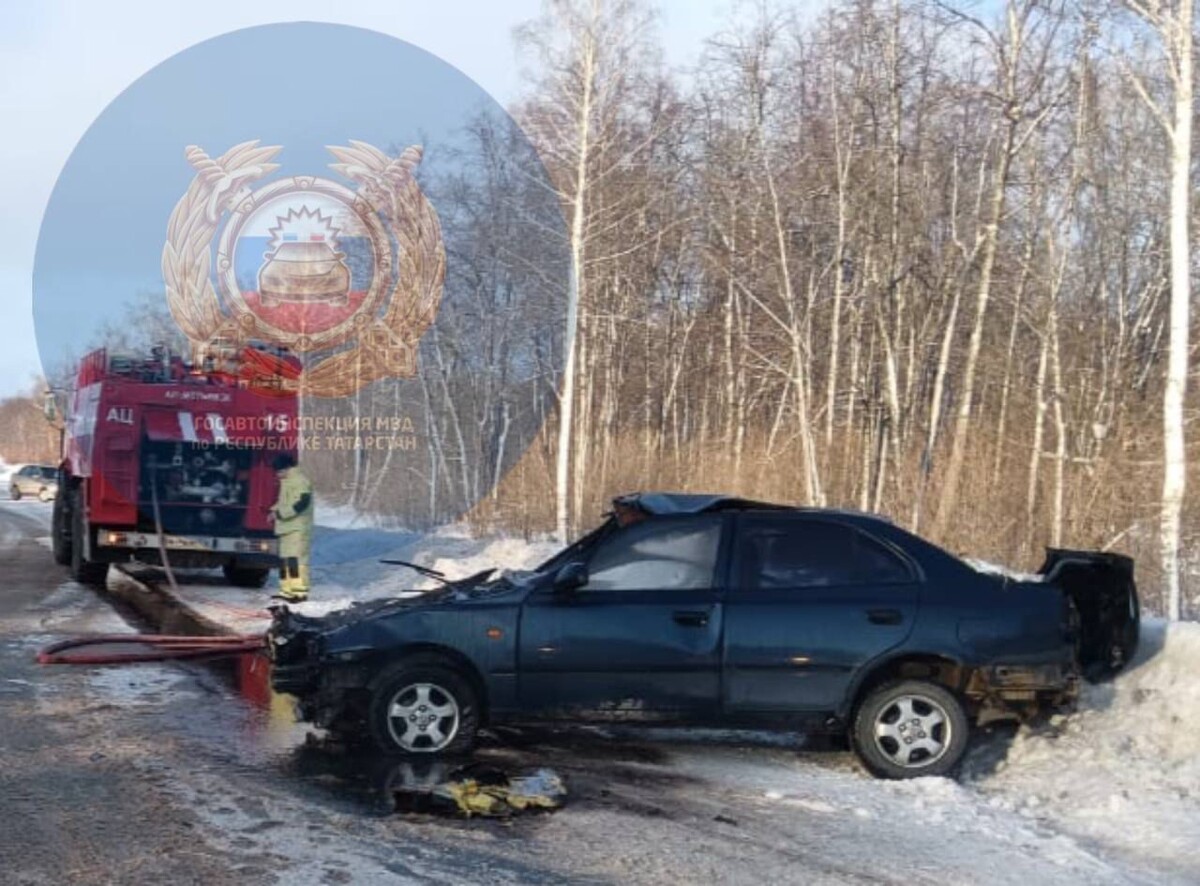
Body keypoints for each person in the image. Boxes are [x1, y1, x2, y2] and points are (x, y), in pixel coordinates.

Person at [270, 453, 313, 602]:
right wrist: (274, 511)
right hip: (286, 528)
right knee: (285, 561)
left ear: (287, 468)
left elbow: (302, 503)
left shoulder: (300, 481)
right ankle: (287, 591)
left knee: (297, 560)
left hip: (297, 529)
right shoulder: (287, 481)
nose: (278, 475)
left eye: (279, 471)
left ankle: (299, 592)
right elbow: (284, 503)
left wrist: (280, 514)